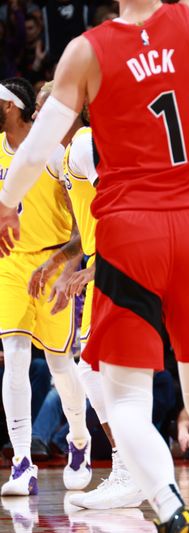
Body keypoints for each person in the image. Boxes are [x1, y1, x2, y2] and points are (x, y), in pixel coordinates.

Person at [0, 2, 189, 531]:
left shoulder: (85, 51)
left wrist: (7, 201)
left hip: (130, 233)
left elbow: (38, 143)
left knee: (125, 400)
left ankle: (166, 502)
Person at [28, 85, 143, 510]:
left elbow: (124, 205)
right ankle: (132, 467)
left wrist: (96, 268)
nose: (36, 114)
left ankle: (130, 468)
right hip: (105, 263)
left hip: (119, 264)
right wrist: (58, 263)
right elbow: (85, 228)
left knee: (101, 371)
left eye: (43, 107)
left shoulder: (84, 144)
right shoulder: (64, 154)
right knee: (96, 371)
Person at [0, 78, 92, 497]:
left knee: (59, 364)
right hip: (10, 266)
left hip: (54, 261)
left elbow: (83, 232)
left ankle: (78, 438)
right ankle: (22, 461)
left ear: (12, 107)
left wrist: (61, 262)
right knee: (15, 359)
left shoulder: (60, 157)